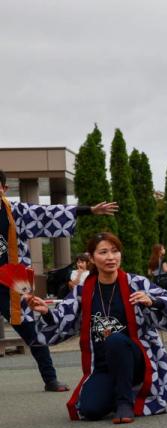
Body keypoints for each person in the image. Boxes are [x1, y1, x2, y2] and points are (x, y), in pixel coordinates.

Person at [28, 232, 167, 422]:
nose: (110, 257)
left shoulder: (136, 283)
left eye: (115, 251)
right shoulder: (82, 291)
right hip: (103, 364)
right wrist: (46, 313)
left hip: (137, 360)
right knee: (90, 410)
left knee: (115, 339)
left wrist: (153, 301)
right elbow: (62, 322)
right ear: (92, 258)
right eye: (103, 252)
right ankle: (116, 390)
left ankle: (125, 401)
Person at [0, 168, 118, 392]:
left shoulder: (16, 212)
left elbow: (49, 213)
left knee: (31, 332)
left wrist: (89, 210)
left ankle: (50, 378)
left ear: (4, 189)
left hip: (12, 284)